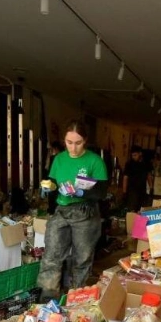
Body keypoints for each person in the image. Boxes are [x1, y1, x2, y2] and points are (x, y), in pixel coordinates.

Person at [37, 119, 109, 300]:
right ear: (64, 140)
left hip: (85, 212)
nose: (73, 148)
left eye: (78, 143)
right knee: (51, 255)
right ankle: (48, 298)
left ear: (85, 141)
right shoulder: (59, 159)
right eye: (69, 143)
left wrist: (82, 191)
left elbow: (101, 191)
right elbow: (52, 180)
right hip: (62, 210)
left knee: (81, 259)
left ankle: (77, 299)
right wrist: (49, 187)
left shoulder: (95, 161)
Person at [123, 145, 153, 212]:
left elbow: (149, 175)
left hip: (142, 190)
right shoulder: (129, 164)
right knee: (132, 210)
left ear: (140, 154)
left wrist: (151, 187)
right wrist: (124, 192)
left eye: (135, 155)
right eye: (132, 155)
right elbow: (125, 178)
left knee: (141, 211)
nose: (133, 157)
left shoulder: (146, 163)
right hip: (132, 191)